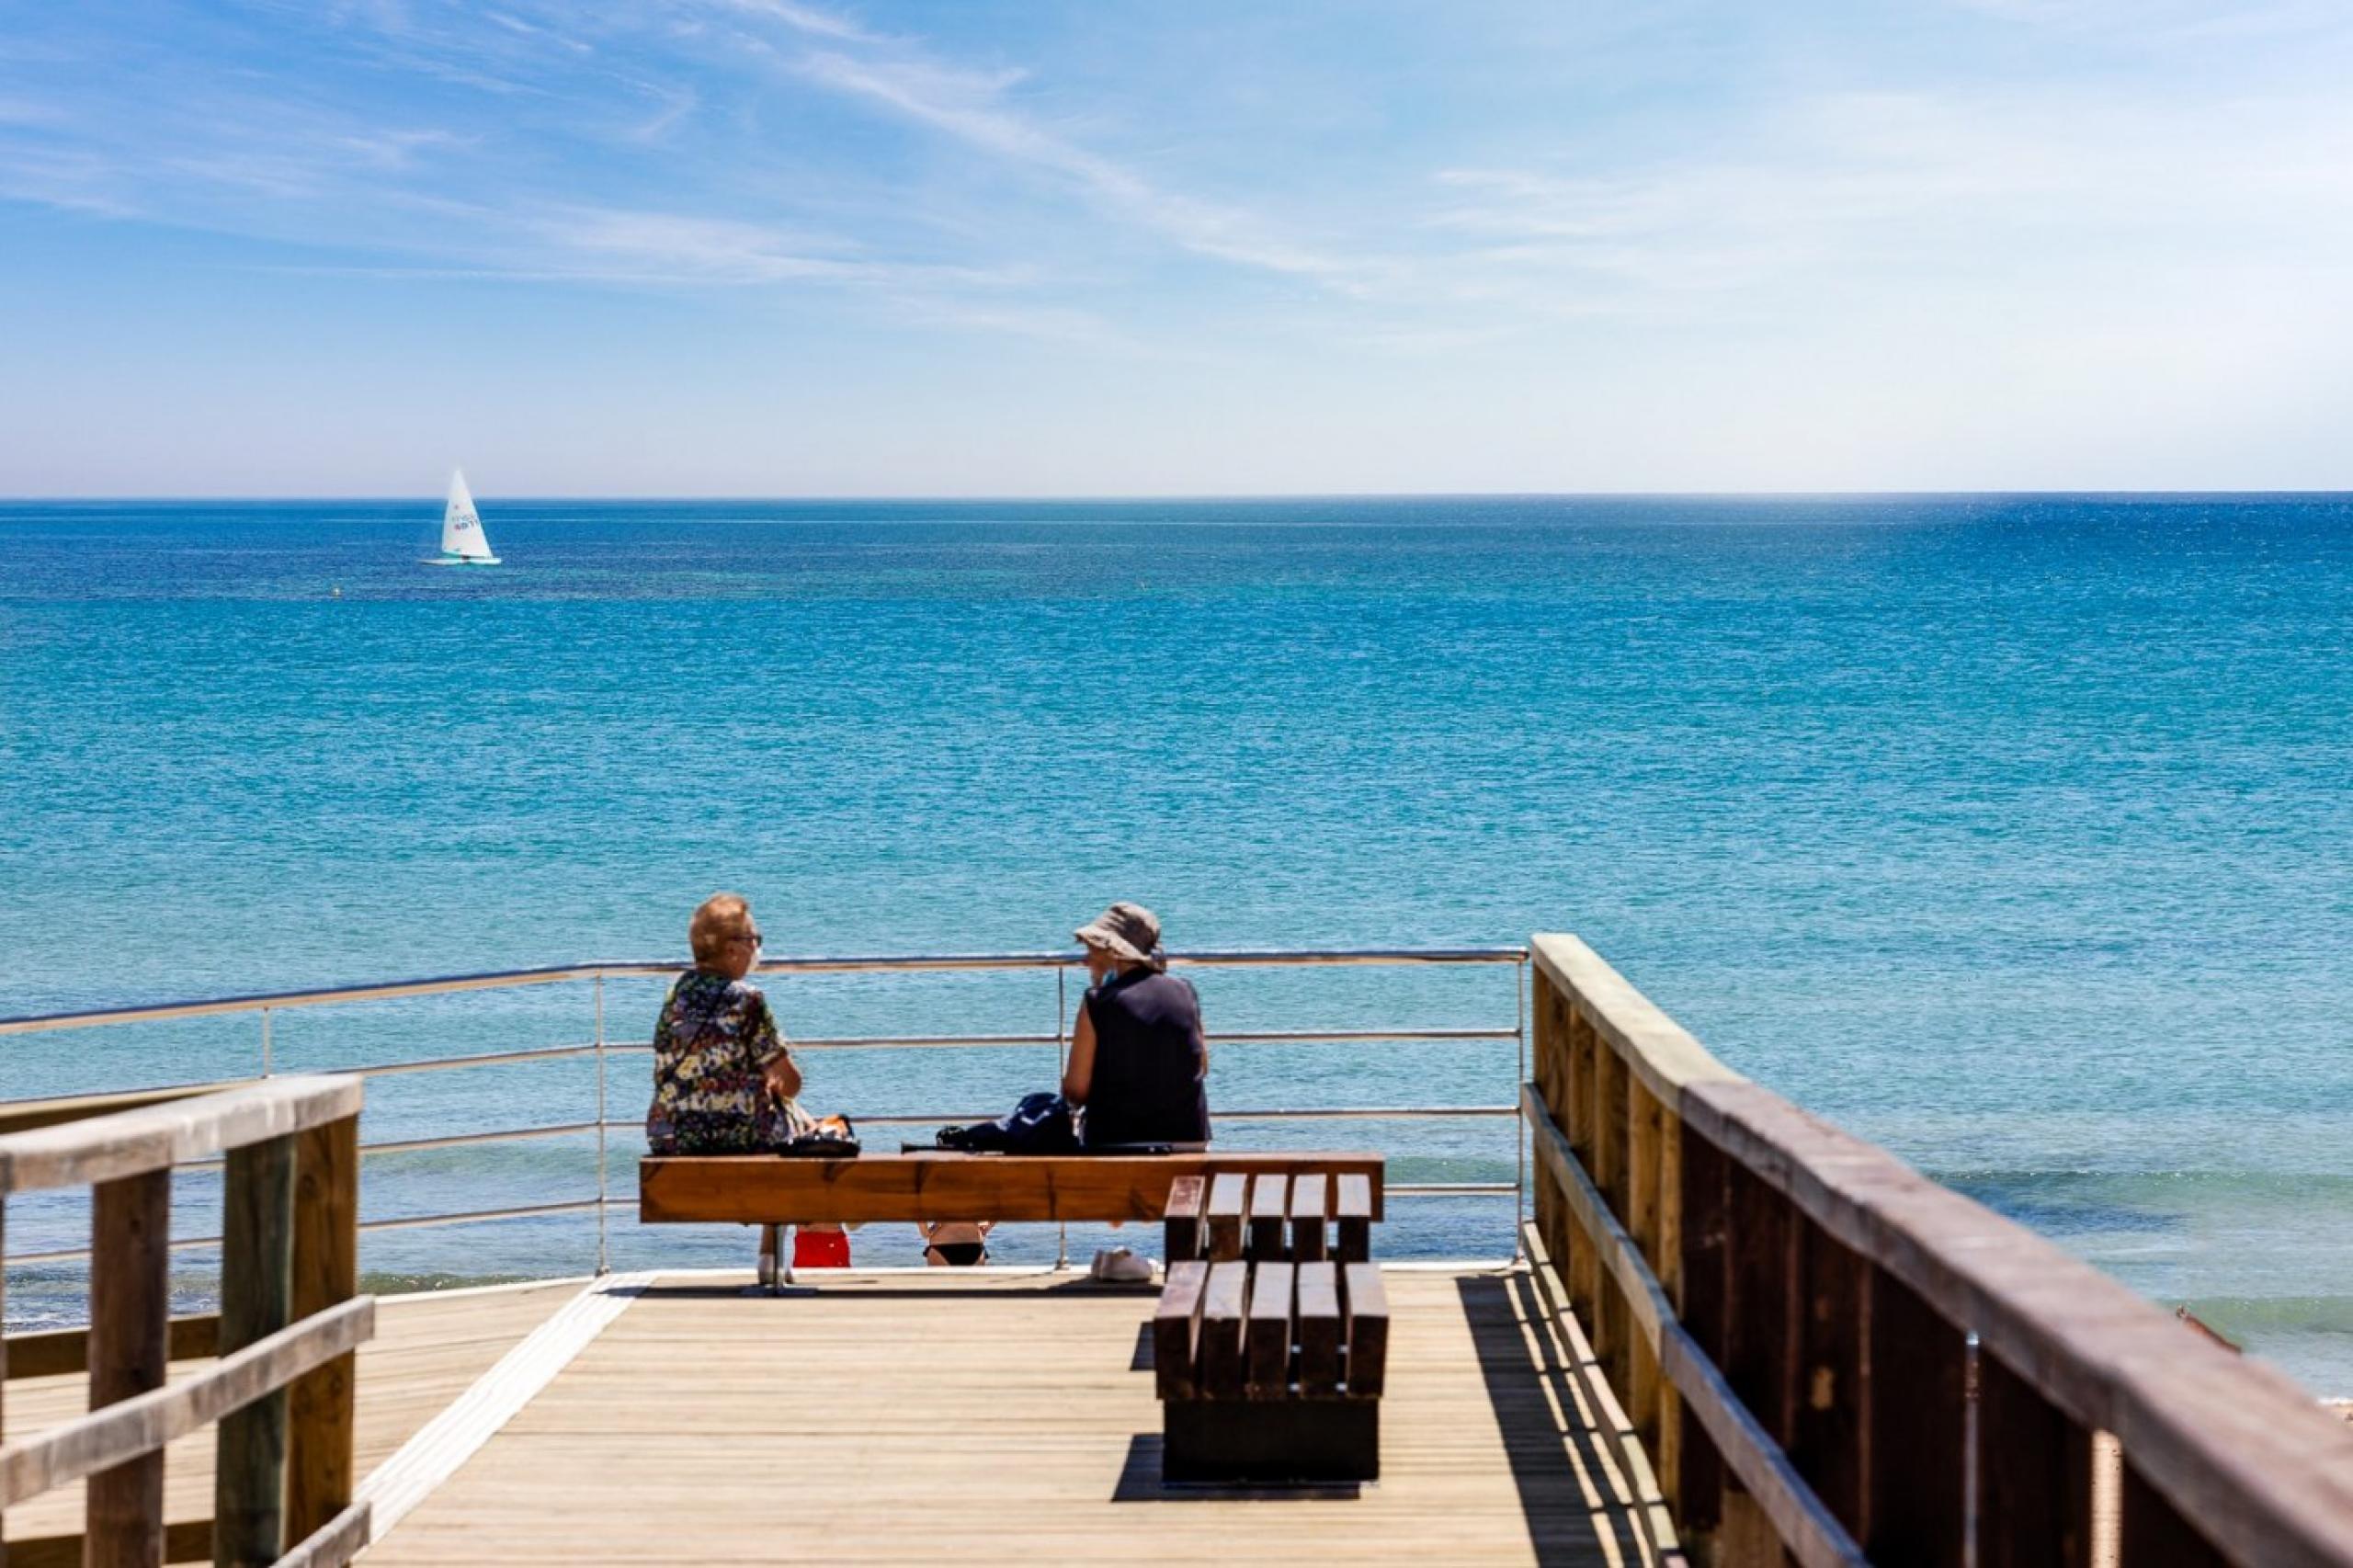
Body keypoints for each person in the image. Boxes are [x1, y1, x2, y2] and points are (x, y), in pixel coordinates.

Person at [644, 892, 816, 1154]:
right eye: (753, 940)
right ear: (731, 948)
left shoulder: (675, 996)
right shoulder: (747, 1000)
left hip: (671, 1136)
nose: (756, 948)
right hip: (738, 1138)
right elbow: (790, 1083)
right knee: (807, 1126)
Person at [1063, 902, 1210, 1150]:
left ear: (1114, 952)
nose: (1087, 961)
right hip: (1190, 1142)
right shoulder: (1185, 991)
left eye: (1093, 950)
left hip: (1119, 1144)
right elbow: (1202, 1065)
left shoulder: (1097, 1002)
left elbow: (1077, 1090)